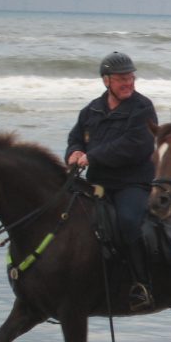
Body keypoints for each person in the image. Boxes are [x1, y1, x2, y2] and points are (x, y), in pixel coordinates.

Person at [66, 51, 159, 311]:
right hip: (96, 182)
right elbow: (75, 138)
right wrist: (73, 153)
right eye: (122, 79)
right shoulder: (92, 109)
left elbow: (136, 145)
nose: (128, 83)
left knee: (129, 221)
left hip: (131, 184)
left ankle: (142, 284)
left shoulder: (143, 108)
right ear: (106, 81)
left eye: (131, 77)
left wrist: (92, 156)